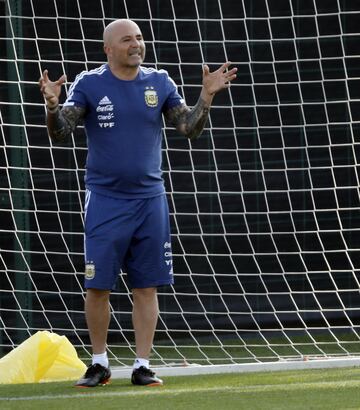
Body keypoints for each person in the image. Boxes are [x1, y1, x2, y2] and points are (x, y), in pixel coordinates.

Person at [39, 19, 237, 387]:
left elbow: (188, 128)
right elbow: (60, 131)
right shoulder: (90, 83)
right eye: (127, 39)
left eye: (140, 38)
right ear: (108, 49)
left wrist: (206, 97)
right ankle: (99, 363)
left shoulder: (160, 82)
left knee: (146, 286)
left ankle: (142, 365)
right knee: (98, 286)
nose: (136, 44)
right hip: (105, 199)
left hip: (150, 200)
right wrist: (52, 105)